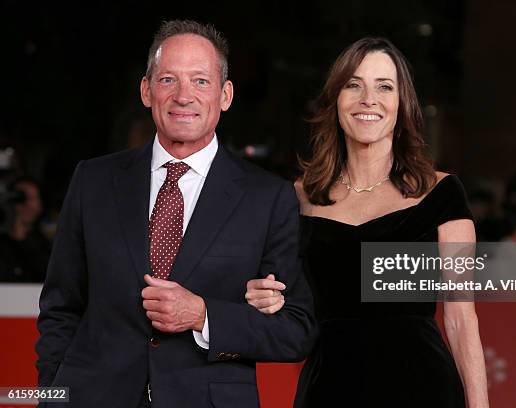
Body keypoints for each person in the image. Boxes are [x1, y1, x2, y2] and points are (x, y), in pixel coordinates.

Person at [36, 20, 315, 407]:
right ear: (146, 90)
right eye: (168, 79)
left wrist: (203, 316)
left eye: (200, 81)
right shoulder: (93, 180)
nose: (183, 96)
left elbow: (294, 331)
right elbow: (60, 308)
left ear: (226, 94)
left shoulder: (268, 198)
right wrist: (51, 397)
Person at [245, 37, 489, 407]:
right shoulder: (298, 198)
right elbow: (286, 303)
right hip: (328, 390)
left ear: (401, 104)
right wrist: (264, 297)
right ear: (335, 101)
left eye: (384, 87)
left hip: (424, 390)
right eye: (353, 84)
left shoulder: (442, 194)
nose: (368, 99)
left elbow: (460, 318)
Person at [0, 178, 51, 282]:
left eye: (32, 198)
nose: (26, 204)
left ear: (40, 204)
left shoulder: (46, 244)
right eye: (20, 197)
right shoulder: (2, 243)